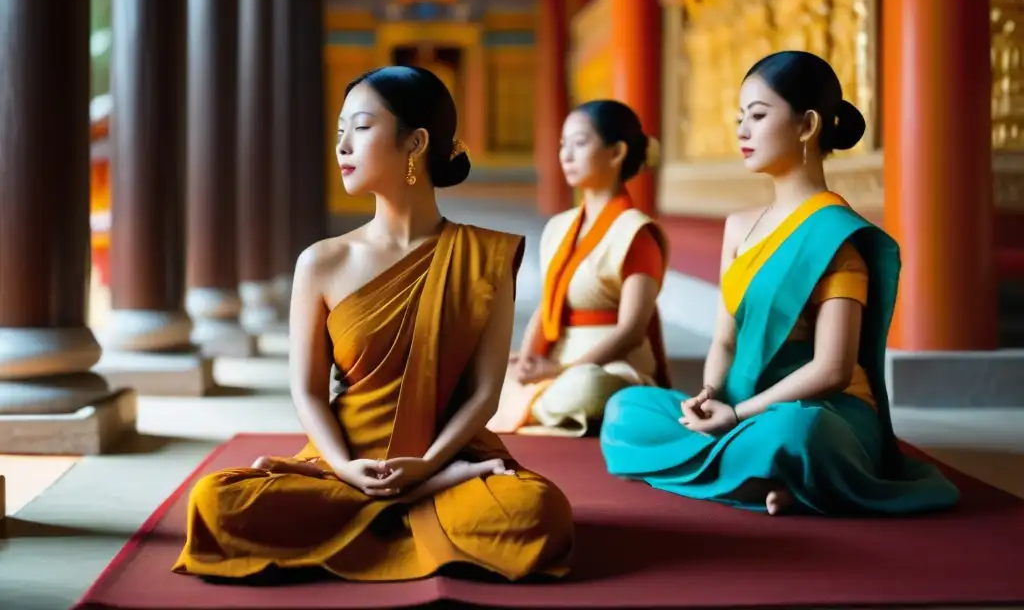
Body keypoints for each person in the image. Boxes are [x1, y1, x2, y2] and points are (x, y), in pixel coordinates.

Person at [173, 66, 574, 582]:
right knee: (216, 502)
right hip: (345, 461)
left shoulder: (486, 255)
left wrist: (428, 463)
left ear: (416, 142)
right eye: (340, 131)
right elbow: (308, 391)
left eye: (360, 128)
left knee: (536, 512)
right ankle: (412, 500)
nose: (342, 145)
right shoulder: (322, 262)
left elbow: (484, 396)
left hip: (448, 455)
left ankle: (411, 495)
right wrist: (341, 467)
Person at [599, 51, 960, 516]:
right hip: (740, 409)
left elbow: (832, 369)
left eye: (758, 115)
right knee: (626, 410)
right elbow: (725, 342)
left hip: (822, 413)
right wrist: (710, 398)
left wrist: (739, 416)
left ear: (807, 125)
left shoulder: (836, 237)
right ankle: (774, 479)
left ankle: (765, 469)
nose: (742, 132)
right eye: (738, 119)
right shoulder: (738, 226)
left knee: (798, 435)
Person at [487, 100, 671, 438]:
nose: (566, 154)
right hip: (558, 356)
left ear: (616, 152)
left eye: (579, 143)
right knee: (480, 366)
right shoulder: (559, 226)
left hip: (611, 365)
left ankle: (521, 404)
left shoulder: (636, 232)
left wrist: (560, 369)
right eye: (562, 145)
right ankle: (533, 400)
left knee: (587, 387)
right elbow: (548, 304)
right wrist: (528, 359)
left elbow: (632, 330)